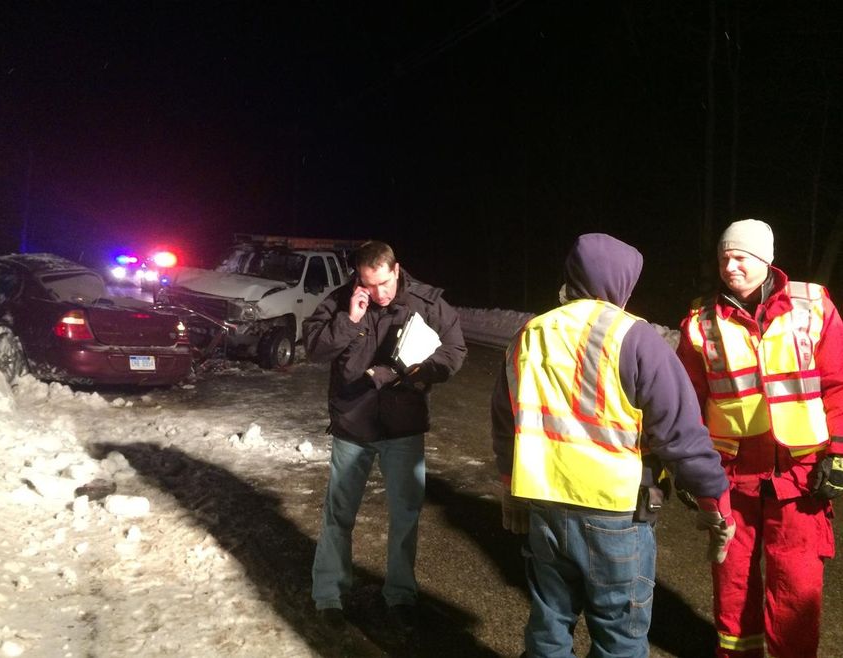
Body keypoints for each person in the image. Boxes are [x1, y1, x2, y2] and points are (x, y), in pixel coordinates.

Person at [491, 233, 732, 658]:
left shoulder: (530, 333)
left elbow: (506, 417)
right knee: (619, 634)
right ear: (620, 282)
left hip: (544, 505)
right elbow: (679, 430)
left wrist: (509, 480)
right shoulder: (634, 338)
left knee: (549, 622)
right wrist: (713, 493)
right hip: (615, 513)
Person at [676, 219, 843, 658]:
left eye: (741, 257)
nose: (730, 266)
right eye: (724, 257)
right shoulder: (700, 320)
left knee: (797, 588)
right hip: (731, 476)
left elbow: (838, 384)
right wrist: (687, 464)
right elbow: (687, 400)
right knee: (732, 586)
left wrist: (840, 453)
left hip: (800, 476)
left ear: (765, 259)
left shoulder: (814, 305)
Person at [304, 240, 467, 634]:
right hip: (352, 427)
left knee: (405, 517)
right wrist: (350, 319)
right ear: (359, 278)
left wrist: (414, 372)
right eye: (368, 284)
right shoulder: (343, 300)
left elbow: (455, 351)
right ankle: (328, 595)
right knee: (338, 516)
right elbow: (313, 348)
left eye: (384, 283)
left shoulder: (427, 303)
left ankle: (400, 596)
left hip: (403, 429)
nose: (378, 293)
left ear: (397, 270)